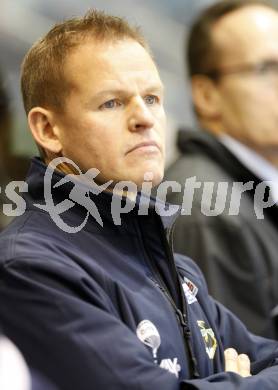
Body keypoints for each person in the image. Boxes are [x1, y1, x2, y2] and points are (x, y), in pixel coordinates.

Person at [0, 8, 278, 390]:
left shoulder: (174, 268)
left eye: (152, 98)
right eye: (111, 103)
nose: (144, 118)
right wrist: (233, 381)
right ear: (48, 129)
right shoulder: (28, 267)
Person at [165, 0, 278, 339]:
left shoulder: (249, 191)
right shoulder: (204, 209)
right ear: (206, 94)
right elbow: (235, 371)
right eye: (267, 68)